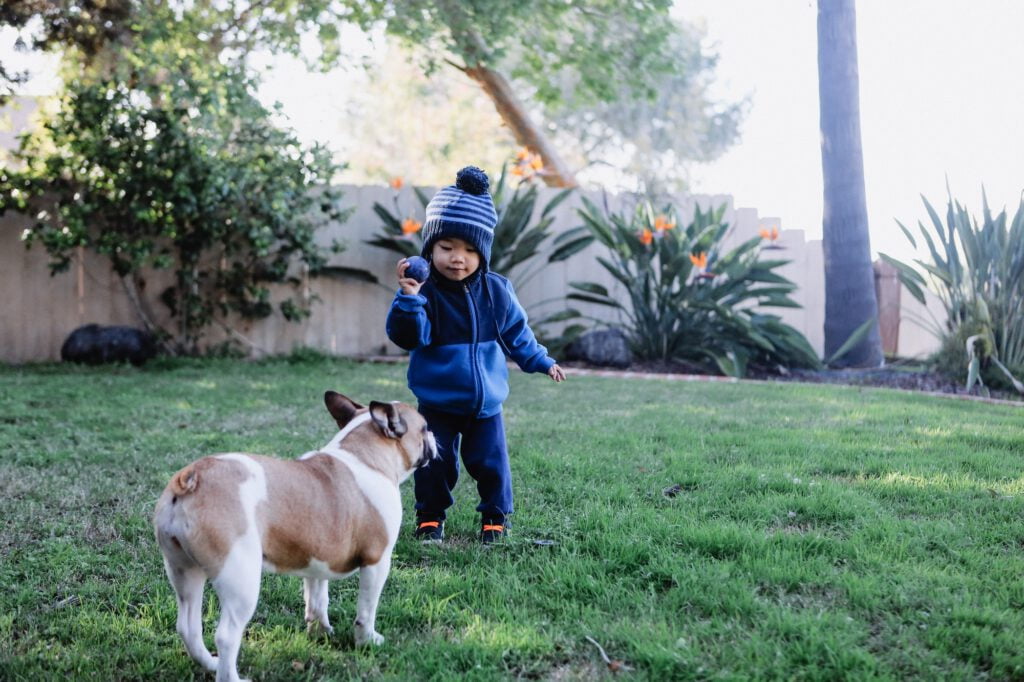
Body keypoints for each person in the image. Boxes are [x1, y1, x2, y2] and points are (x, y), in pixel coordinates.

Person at [385, 165, 566, 544]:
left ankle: (495, 518)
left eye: (469, 250)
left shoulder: (497, 291)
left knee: (492, 463)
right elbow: (408, 338)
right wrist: (409, 299)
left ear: (482, 252)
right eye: (446, 247)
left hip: (486, 405)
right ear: (430, 248)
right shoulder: (424, 293)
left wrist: (542, 360)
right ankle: (430, 518)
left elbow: (518, 334)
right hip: (438, 403)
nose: (457, 258)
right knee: (435, 463)